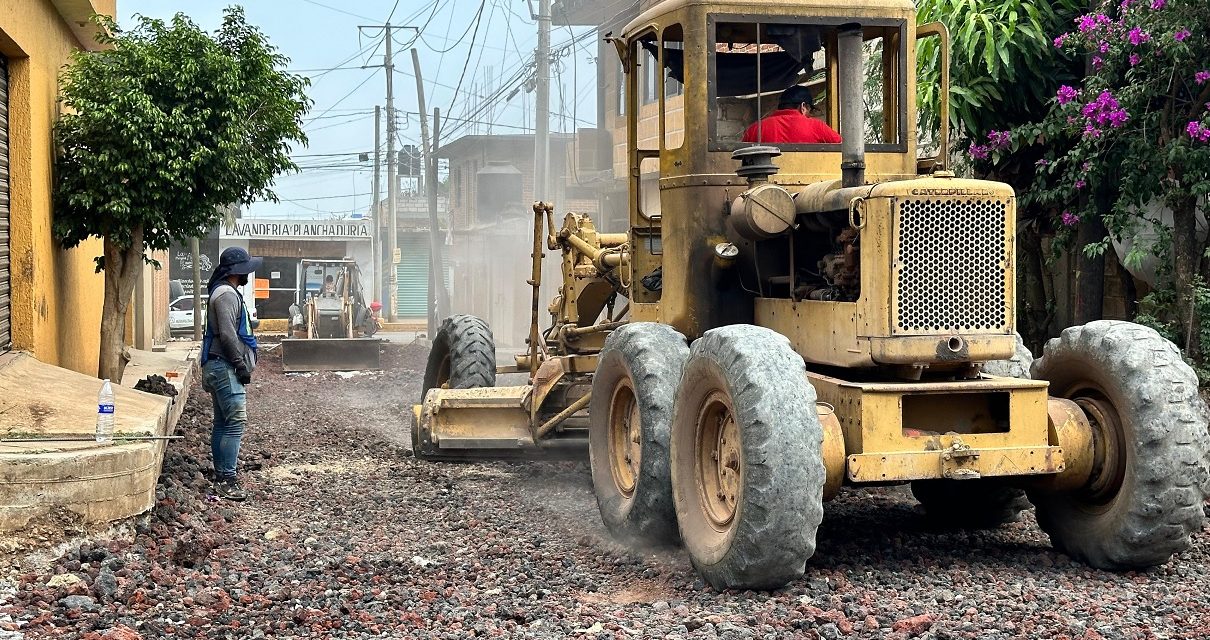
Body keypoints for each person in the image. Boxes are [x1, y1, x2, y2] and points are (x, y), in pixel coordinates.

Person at [199, 247, 262, 501]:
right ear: (236, 271)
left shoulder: (224, 291)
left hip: (218, 365)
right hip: (224, 366)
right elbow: (227, 335)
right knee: (235, 423)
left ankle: (222, 475)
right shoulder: (226, 294)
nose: (248, 273)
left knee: (223, 423)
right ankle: (227, 479)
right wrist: (241, 365)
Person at [742, 85, 842, 144]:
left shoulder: (754, 129)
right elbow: (843, 148)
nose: (810, 116)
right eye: (810, 110)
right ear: (803, 106)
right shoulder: (817, 127)